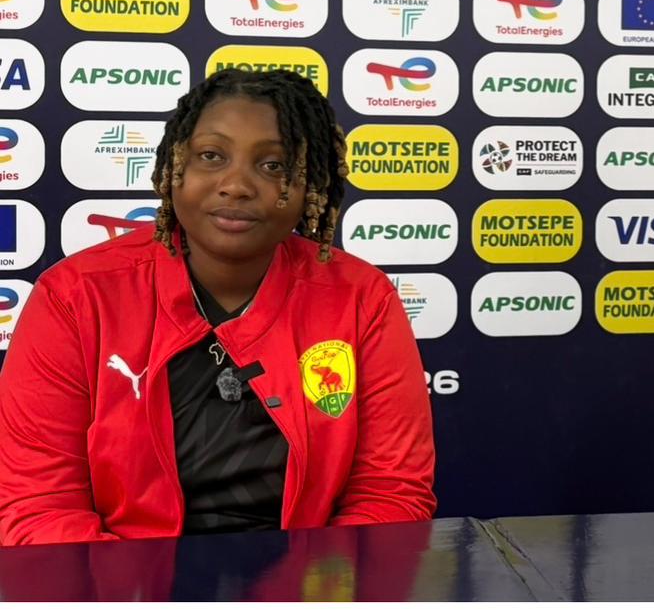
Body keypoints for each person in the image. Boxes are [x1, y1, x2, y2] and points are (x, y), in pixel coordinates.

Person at [0, 69, 436, 546]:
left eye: (273, 165)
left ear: (311, 186)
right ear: (175, 167)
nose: (236, 185)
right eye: (212, 156)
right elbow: (37, 507)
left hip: (310, 578)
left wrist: (313, 582)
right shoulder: (76, 296)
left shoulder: (361, 298)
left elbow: (390, 493)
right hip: (124, 577)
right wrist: (137, 585)